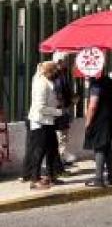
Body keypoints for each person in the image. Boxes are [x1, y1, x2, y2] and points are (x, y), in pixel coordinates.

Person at [83, 71, 112, 187]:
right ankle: (110, 177)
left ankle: (99, 179)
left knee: (99, 148)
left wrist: (87, 122)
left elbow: (93, 105)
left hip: (99, 120)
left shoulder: (96, 84)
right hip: (110, 119)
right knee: (108, 148)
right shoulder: (110, 81)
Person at [27, 62, 63, 190]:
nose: (57, 74)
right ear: (51, 72)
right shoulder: (41, 84)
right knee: (39, 151)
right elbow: (40, 107)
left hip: (47, 121)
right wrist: (58, 111)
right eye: (56, 71)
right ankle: (34, 179)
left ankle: (51, 175)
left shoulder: (45, 80)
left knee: (52, 149)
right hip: (40, 122)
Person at [52, 52, 77, 171]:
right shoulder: (56, 75)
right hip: (59, 111)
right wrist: (68, 102)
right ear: (59, 62)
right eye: (65, 60)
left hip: (62, 110)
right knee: (61, 136)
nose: (66, 62)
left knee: (63, 136)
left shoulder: (62, 74)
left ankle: (61, 161)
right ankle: (60, 163)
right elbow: (58, 94)